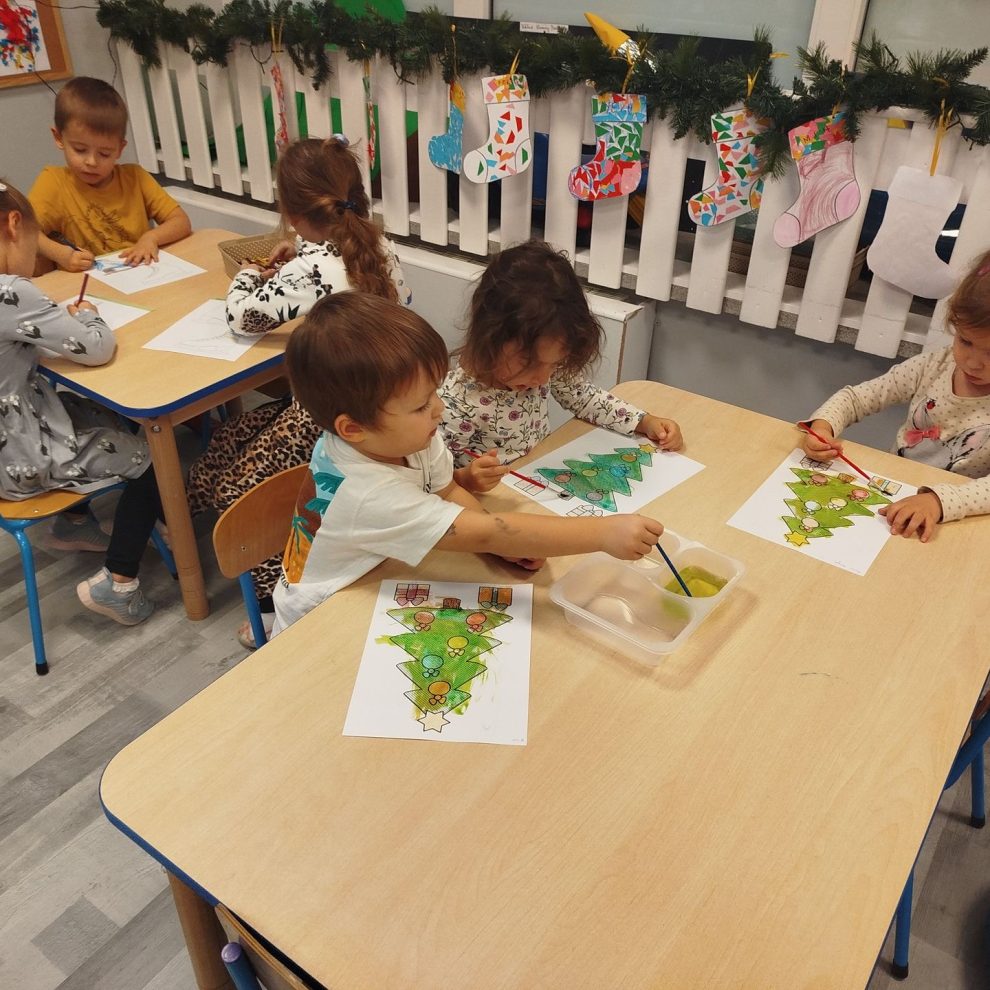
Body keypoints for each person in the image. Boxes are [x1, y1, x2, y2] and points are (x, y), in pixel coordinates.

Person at [274, 291, 665, 635]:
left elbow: (447, 490)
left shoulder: (404, 436)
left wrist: (501, 548)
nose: (439, 409)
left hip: (377, 575)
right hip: (319, 617)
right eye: (421, 405)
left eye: (434, 393)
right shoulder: (367, 493)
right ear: (353, 428)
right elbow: (486, 532)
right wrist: (601, 533)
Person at [186, 136, 409, 648]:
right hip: (358, 402)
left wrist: (249, 273)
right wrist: (298, 255)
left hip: (330, 418)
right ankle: (181, 530)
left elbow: (242, 317)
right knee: (231, 437)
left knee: (239, 490)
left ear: (289, 213)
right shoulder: (377, 246)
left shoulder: (312, 269)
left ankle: (272, 605)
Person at [0, 179, 164, 624]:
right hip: (21, 457)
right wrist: (89, 316)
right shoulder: (12, 292)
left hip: (13, 433)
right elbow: (96, 348)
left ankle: (73, 523)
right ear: (14, 225)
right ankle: (119, 582)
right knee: (155, 458)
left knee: (96, 411)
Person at [439, 238, 684, 493]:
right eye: (530, 363)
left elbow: (586, 399)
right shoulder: (454, 404)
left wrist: (644, 422)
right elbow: (428, 480)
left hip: (536, 488)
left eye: (554, 364)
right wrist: (464, 480)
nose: (543, 378)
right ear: (490, 338)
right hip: (487, 505)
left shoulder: (542, 372)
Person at [801, 247, 990, 543]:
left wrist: (937, 501)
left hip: (955, 523)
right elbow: (856, 398)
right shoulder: (935, 365)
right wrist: (823, 427)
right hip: (893, 497)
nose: (973, 362)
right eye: (965, 341)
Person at [29, 76, 191, 272]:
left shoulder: (136, 178)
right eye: (80, 150)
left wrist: (151, 237)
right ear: (58, 138)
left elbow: (181, 221)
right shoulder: (53, 182)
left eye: (105, 154)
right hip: (83, 282)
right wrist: (61, 255)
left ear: (120, 149)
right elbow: (26, 233)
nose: (92, 162)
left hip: (137, 274)